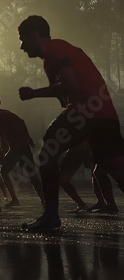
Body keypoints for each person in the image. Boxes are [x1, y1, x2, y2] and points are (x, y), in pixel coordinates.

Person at [17, 15, 124, 230]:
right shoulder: (53, 58)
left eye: (22, 39)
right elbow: (66, 92)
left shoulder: (55, 48)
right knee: (116, 168)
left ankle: (50, 217)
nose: (21, 46)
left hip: (86, 111)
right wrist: (58, 92)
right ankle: (50, 216)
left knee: (47, 151)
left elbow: (71, 87)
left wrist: (33, 93)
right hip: (104, 115)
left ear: (34, 35)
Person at [0, 96, 44, 208]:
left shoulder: (0, 117)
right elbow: (22, 122)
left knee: (3, 171)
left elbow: (3, 136)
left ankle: (14, 199)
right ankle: (43, 200)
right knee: (32, 174)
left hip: (17, 148)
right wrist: (29, 138)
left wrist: (3, 151)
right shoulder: (7, 113)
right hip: (24, 146)